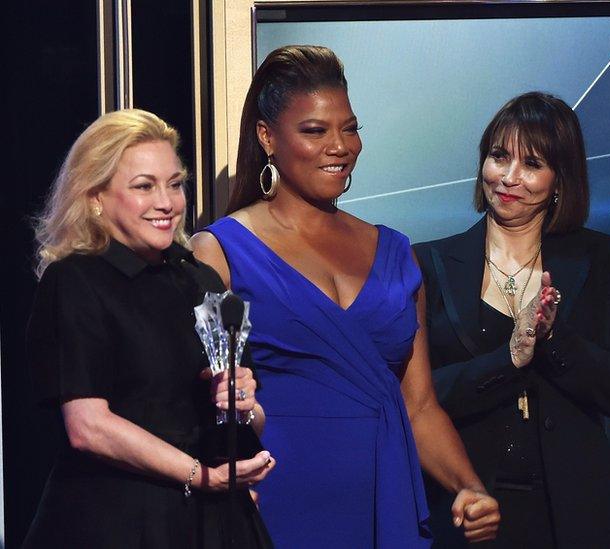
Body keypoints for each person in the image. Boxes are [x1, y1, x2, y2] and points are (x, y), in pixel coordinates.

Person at [191, 45, 500, 547]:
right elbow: (204, 400)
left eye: (350, 128)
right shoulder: (218, 250)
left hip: (384, 501)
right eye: (315, 131)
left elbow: (418, 406)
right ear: (267, 137)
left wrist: (468, 487)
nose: (340, 146)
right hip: (271, 506)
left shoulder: (398, 253)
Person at [24, 109, 274, 548]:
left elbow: (252, 418)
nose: (167, 203)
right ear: (96, 196)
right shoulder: (77, 280)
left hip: (212, 518)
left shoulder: (200, 279)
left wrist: (243, 403)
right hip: (117, 519)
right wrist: (199, 476)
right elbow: (88, 427)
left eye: (174, 184)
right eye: (144, 186)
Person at [414, 92, 610, 548]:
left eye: (532, 164)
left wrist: (552, 337)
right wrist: (510, 358)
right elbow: (421, 398)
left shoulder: (597, 258)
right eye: (500, 157)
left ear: (560, 179)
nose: (510, 177)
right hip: (469, 508)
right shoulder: (429, 262)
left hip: (574, 512)